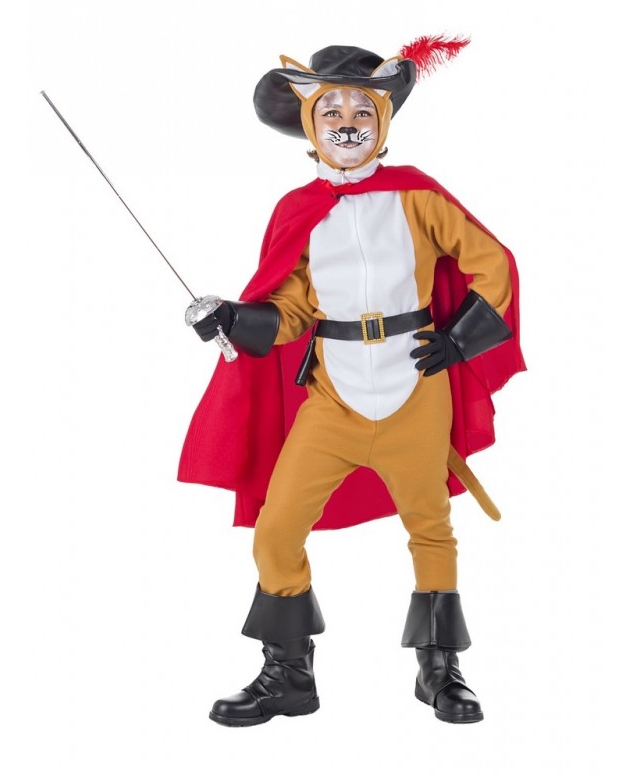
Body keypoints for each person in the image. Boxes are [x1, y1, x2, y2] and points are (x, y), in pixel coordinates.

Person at [179, 37, 525, 727]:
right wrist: (237, 319)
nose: (346, 123)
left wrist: (459, 340)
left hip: (414, 388)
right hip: (332, 399)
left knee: (430, 527)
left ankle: (438, 669)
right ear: (311, 126)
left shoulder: (419, 197)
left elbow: (494, 263)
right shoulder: (298, 211)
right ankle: (288, 672)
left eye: (361, 111)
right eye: (331, 111)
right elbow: (291, 311)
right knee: (277, 528)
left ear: (382, 121)